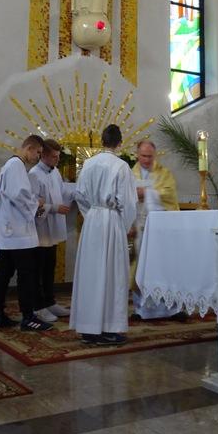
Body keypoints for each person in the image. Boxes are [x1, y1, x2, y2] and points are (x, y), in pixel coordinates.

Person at [69, 124, 137, 346]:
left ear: (102, 141)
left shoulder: (89, 164)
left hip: (93, 221)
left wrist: (90, 214)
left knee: (92, 273)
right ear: (120, 143)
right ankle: (109, 328)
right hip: (111, 220)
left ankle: (88, 328)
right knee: (112, 274)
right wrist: (124, 225)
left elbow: (79, 195)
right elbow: (128, 202)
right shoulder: (121, 166)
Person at [0, 135, 53, 332]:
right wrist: (36, 203)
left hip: (10, 230)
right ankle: (28, 317)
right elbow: (19, 194)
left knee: (5, 271)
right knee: (26, 274)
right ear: (29, 148)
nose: (38, 157)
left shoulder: (11, 165)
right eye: (38, 153)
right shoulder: (16, 165)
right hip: (17, 232)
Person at [131, 140, 184, 320]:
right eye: (143, 156)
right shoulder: (130, 174)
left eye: (150, 156)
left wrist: (146, 193)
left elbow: (170, 194)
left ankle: (171, 308)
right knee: (142, 267)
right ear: (137, 155)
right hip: (140, 229)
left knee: (165, 267)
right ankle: (141, 309)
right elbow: (123, 198)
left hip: (162, 230)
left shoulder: (164, 173)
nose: (147, 159)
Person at [29, 138, 75, 323]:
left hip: (53, 229)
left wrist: (80, 192)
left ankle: (50, 301)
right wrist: (54, 208)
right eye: (55, 156)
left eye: (58, 156)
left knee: (50, 268)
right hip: (40, 230)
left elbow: (63, 191)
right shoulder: (34, 174)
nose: (58, 159)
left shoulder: (55, 171)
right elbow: (32, 205)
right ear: (44, 155)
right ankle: (38, 306)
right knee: (38, 270)